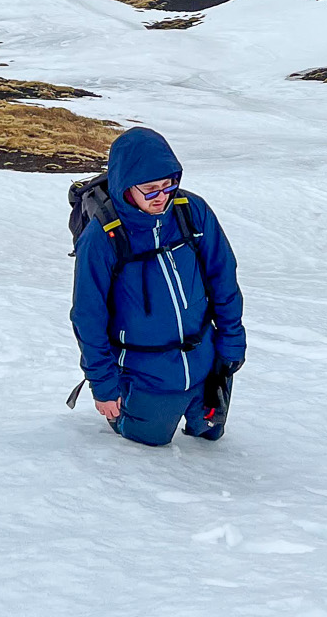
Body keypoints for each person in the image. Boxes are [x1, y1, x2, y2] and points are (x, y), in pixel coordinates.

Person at [70, 125, 245, 446]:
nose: (162, 197)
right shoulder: (102, 237)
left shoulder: (191, 211)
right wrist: (104, 386)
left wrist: (232, 342)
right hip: (146, 373)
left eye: (169, 185)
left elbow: (224, 279)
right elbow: (88, 316)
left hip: (207, 364)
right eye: (150, 189)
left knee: (209, 439)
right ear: (126, 185)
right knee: (148, 445)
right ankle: (121, 414)